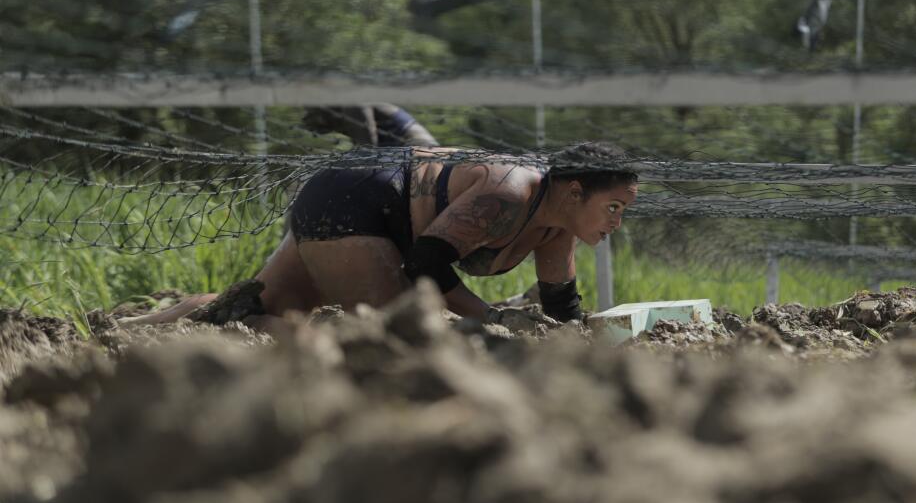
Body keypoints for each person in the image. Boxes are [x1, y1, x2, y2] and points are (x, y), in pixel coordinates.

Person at [122, 142, 638, 331]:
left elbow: (562, 311)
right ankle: (153, 331)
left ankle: (134, 326)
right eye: (612, 207)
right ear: (573, 191)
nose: (616, 221)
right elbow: (426, 265)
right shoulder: (511, 191)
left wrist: (586, 338)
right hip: (357, 195)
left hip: (375, 198)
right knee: (398, 334)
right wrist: (493, 318)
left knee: (268, 304)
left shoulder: (556, 228)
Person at [302, 105, 439, 148]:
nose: (306, 118)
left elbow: (368, 150)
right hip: (405, 154)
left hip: (419, 152)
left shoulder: (353, 105)